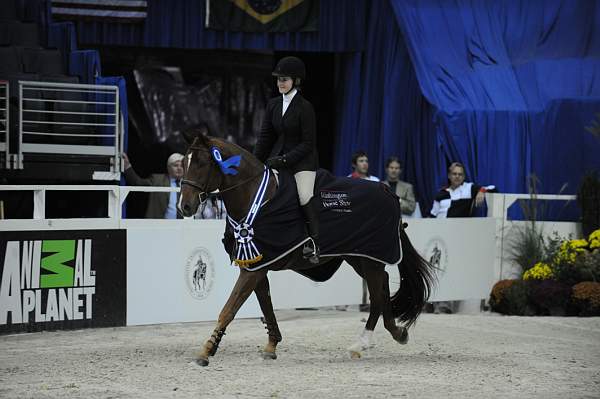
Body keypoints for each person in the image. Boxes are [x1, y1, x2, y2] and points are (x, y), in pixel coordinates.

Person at [253, 56, 320, 264]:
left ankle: (314, 242)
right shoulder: (273, 104)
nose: (281, 83)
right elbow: (265, 137)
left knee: (303, 195)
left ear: (296, 81)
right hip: (277, 158)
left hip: (302, 162)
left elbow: (308, 143)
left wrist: (284, 160)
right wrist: (254, 162)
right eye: (278, 79)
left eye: (285, 79)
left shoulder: (305, 107)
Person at [429, 161, 495, 314]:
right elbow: (431, 216)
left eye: (460, 174)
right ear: (449, 175)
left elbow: (494, 188)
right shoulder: (441, 194)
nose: (457, 176)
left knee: (453, 270)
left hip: (459, 237)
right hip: (440, 236)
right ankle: (434, 303)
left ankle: (446, 305)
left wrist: (481, 191)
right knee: (438, 270)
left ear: (464, 176)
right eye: (454, 174)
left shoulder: (469, 188)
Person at [122, 152, 184, 219]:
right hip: (158, 225)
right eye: (176, 165)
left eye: (182, 166)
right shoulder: (157, 180)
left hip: (181, 227)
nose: (179, 168)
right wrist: (127, 166)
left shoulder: (189, 184)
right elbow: (138, 183)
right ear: (168, 167)